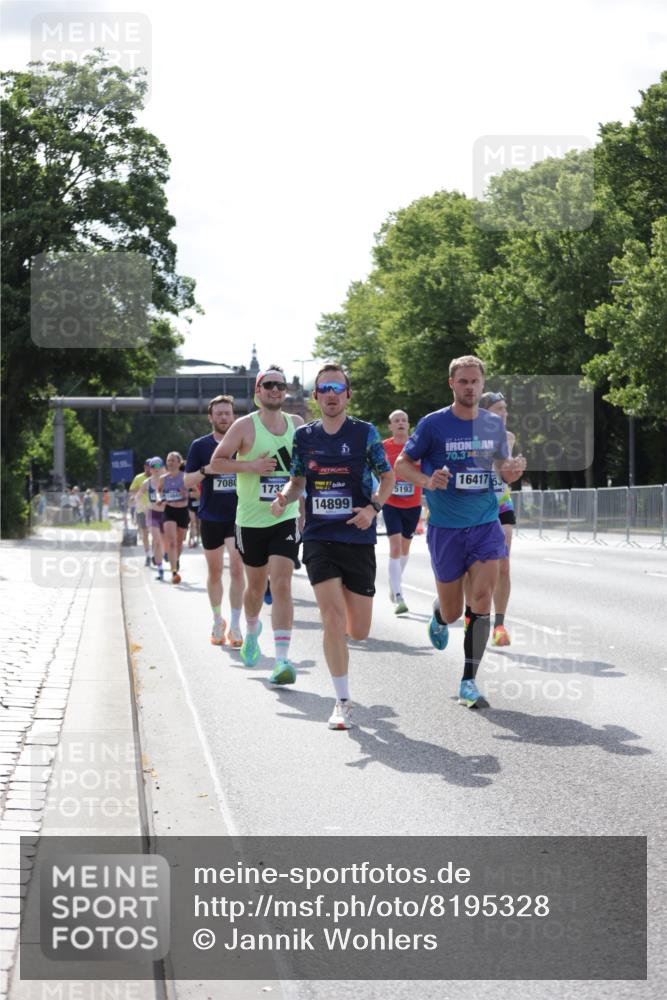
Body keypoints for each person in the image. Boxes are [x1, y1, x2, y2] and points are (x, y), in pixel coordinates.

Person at [395, 355, 525, 708]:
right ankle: (439, 615)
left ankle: (469, 680)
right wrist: (427, 480)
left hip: (485, 524)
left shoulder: (493, 426)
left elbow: (500, 469)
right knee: (453, 611)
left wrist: (511, 471)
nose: (470, 387)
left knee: (481, 598)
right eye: (463, 381)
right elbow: (402, 464)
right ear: (452, 383)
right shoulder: (433, 424)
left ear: (482, 384)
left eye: (475, 381)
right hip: (446, 529)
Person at [271, 362, 394, 729]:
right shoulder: (304, 436)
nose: (331, 395)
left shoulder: (365, 433)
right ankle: (342, 701)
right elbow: (297, 481)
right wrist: (284, 496)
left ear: (347, 395)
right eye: (324, 389)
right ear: (315, 396)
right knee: (332, 619)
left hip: (358, 536)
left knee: (359, 630)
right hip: (319, 536)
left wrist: (373, 509)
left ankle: (344, 680)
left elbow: (387, 478)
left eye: (337, 389)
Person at [211, 366, 304, 684]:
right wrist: (250, 466)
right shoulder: (244, 426)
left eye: (280, 385)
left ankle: (281, 660)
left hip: (284, 516)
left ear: (286, 391)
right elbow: (216, 463)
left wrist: (290, 499)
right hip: (250, 521)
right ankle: (251, 631)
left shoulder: (297, 425)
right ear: (258, 391)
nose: (275, 390)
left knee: (282, 584)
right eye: (269, 385)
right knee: (255, 587)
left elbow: (304, 470)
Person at [184, 395, 246, 647]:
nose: (223, 417)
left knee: (238, 567)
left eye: (227, 413)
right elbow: (187, 481)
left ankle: (236, 624)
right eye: (219, 413)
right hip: (210, 516)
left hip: (239, 515)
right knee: (215, 571)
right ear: (210, 417)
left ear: (234, 416)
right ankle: (218, 619)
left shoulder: (243, 443)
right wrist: (206, 470)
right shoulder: (200, 446)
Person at [464, 391, 517, 646]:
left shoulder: (509, 437)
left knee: (503, 565)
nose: (504, 413)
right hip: (475, 506)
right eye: (498, 409)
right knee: (471, 567)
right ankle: (469, 614)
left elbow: (503, 472)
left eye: (505, 408)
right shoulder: (470, 438)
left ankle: (499, 625)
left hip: (501, 503)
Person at [382, 409, 423, 615]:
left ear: (408, 425)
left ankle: (394, 581)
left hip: (413, 504)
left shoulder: (417, 446)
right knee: (396, 547)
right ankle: (399, 596)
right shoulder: (384, 447)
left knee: (405, 550)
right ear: (390, 426)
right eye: (396, 420)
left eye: (404, 420)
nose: (400, 423)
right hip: (391, 503)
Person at [137, 458, 167, 580]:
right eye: (153, 466)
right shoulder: (147, 483)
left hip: (166, 514)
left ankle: (162, 555)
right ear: (150, 469)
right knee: (157, 540)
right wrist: (144, 507)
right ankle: (160, 569)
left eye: (159, 466)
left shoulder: (167, 480)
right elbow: (138, 497)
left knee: (164, 541)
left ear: (163, 467)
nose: (156, 468)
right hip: (152, 513)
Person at [129, 460, 152, 566]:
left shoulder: (158, 478)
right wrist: (140, 491)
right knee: (145, 534)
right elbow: (132, 492)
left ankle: (155, 553)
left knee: (156, 534)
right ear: (144, 466)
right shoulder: (138, 478)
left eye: (151, 466)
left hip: (155, 509)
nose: (149, 468)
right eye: (148, 466)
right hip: (141, 510)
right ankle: (148, 555)